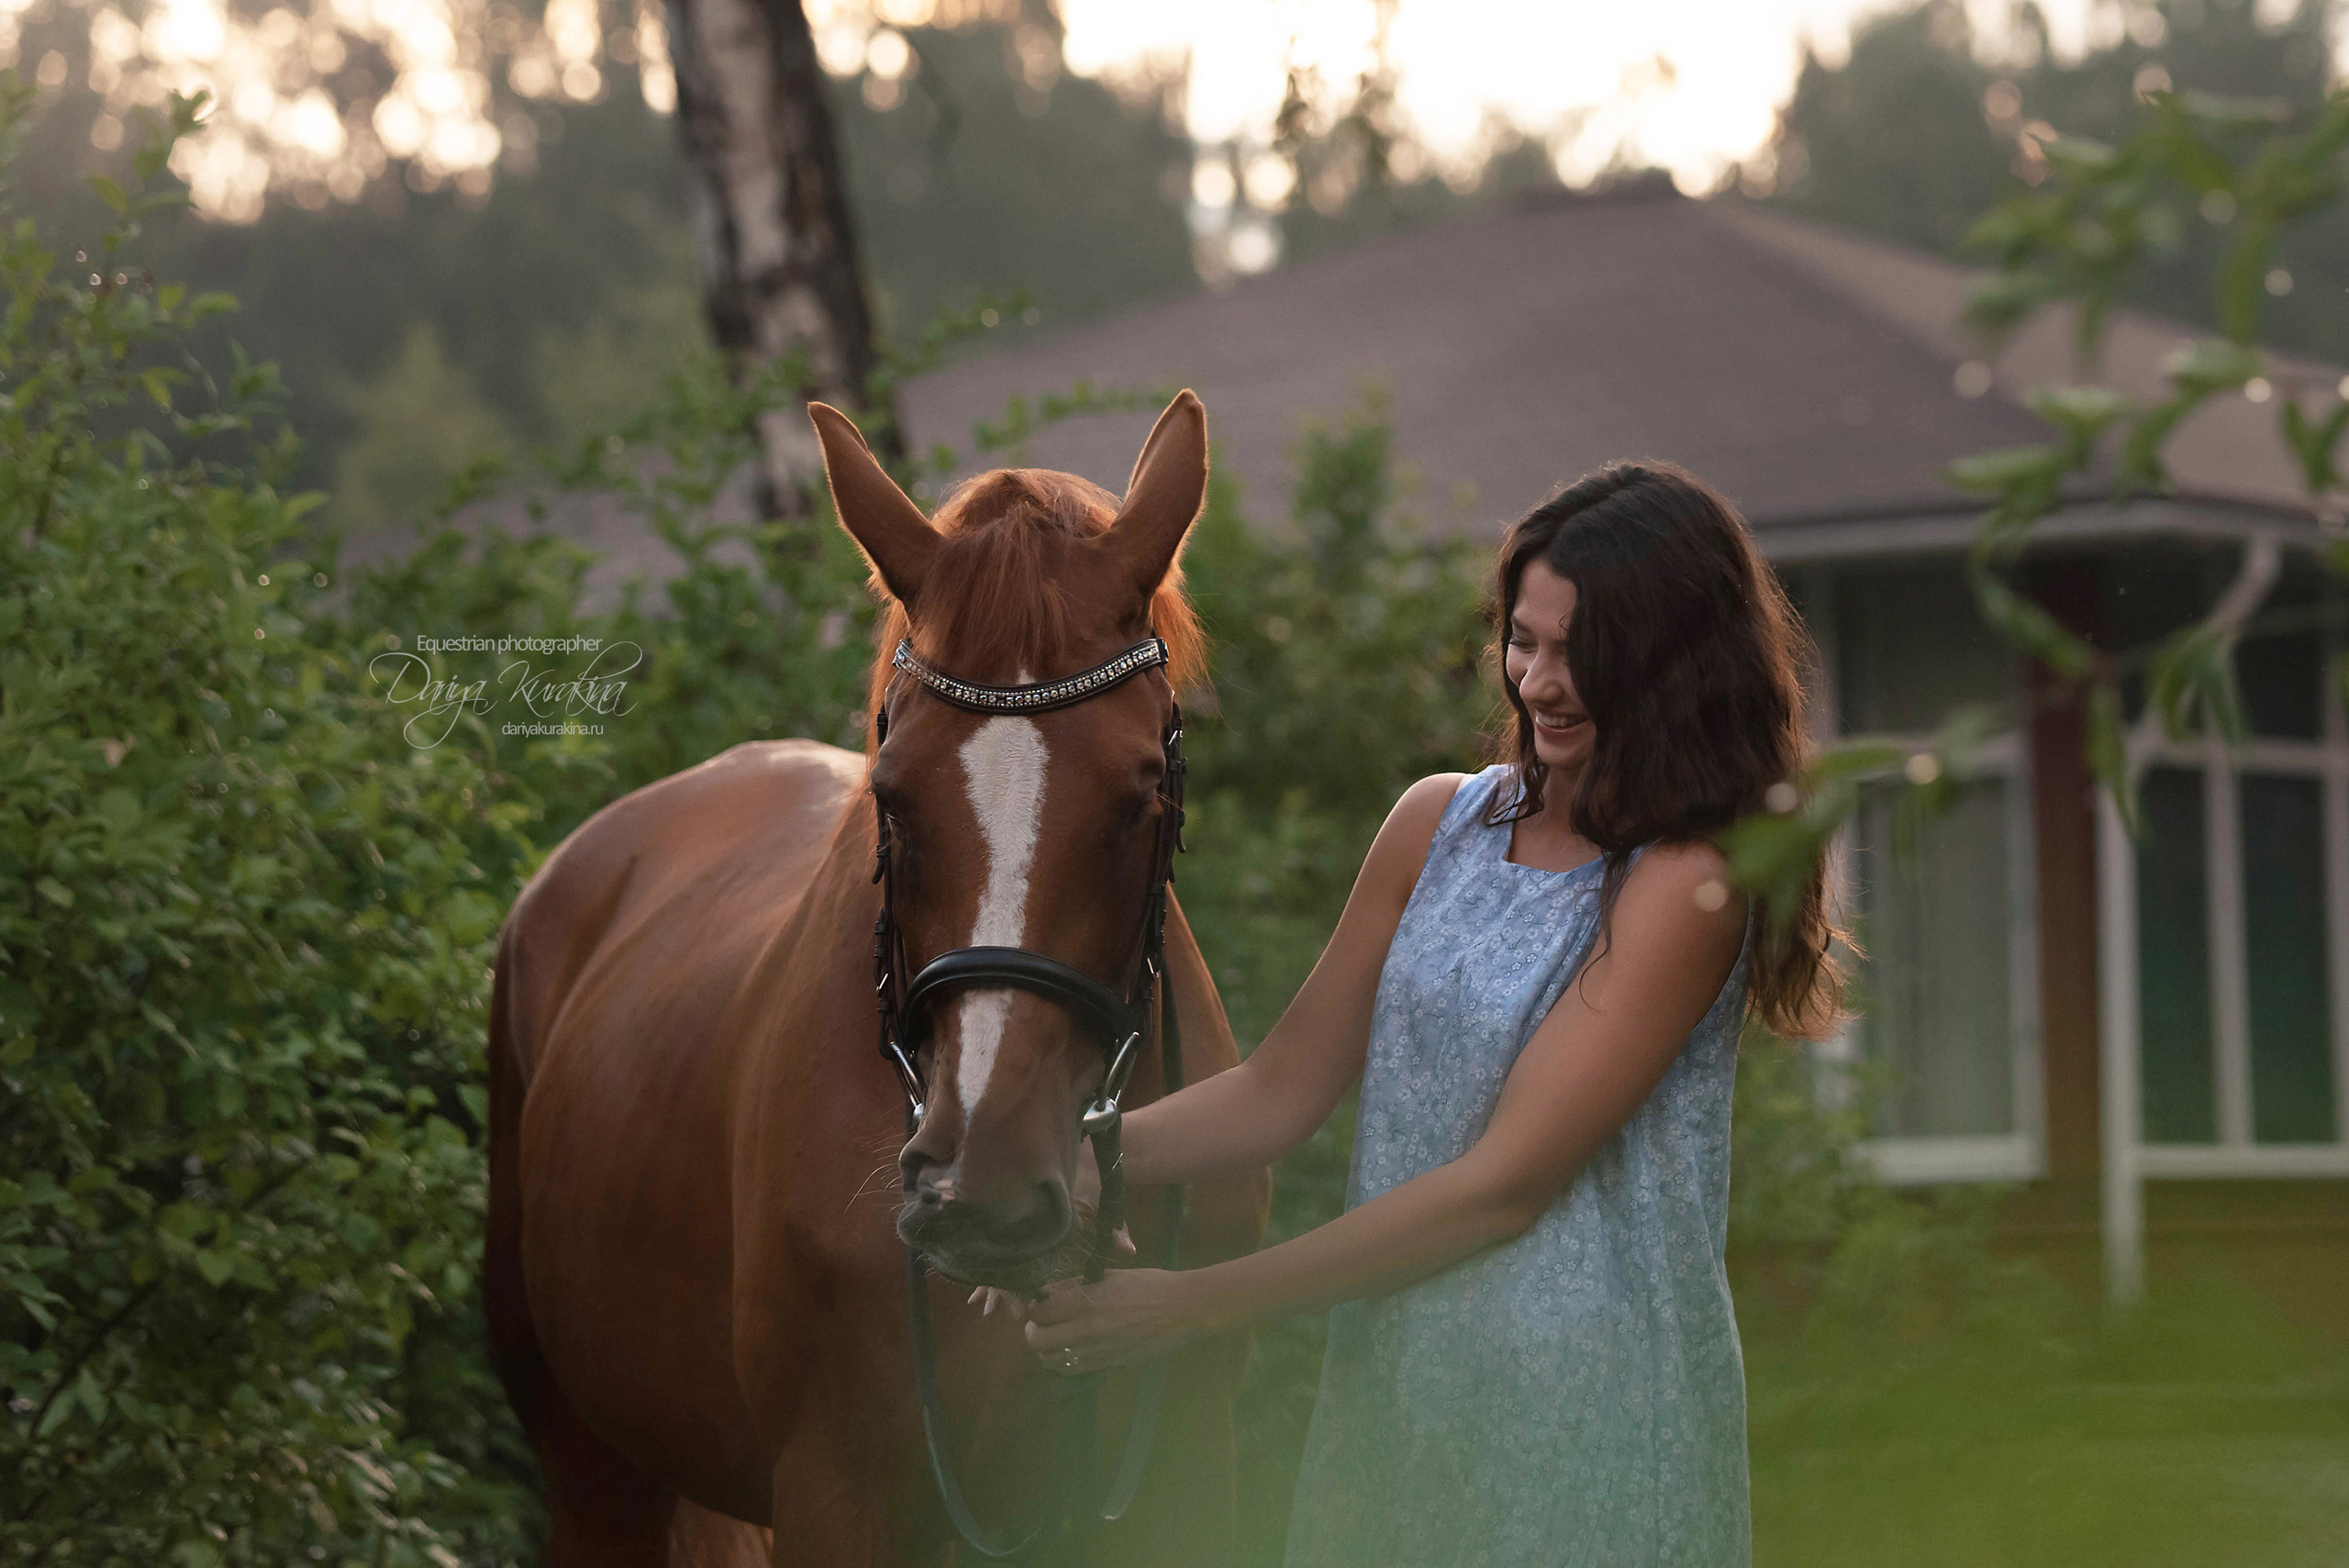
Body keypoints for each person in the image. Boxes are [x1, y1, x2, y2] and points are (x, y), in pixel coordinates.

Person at [1009, 461, 1842, 1566]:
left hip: (1584, 1416)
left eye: (1579, 650)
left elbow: (1497, 1191)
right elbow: (1277, 1091)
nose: (1538, 680)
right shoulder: (1435, 822)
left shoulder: (1688, 882)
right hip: (1399, 1384)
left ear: (1674, 665)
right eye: (1524, 639)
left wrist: (1193, 1302)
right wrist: (1078, 1154)